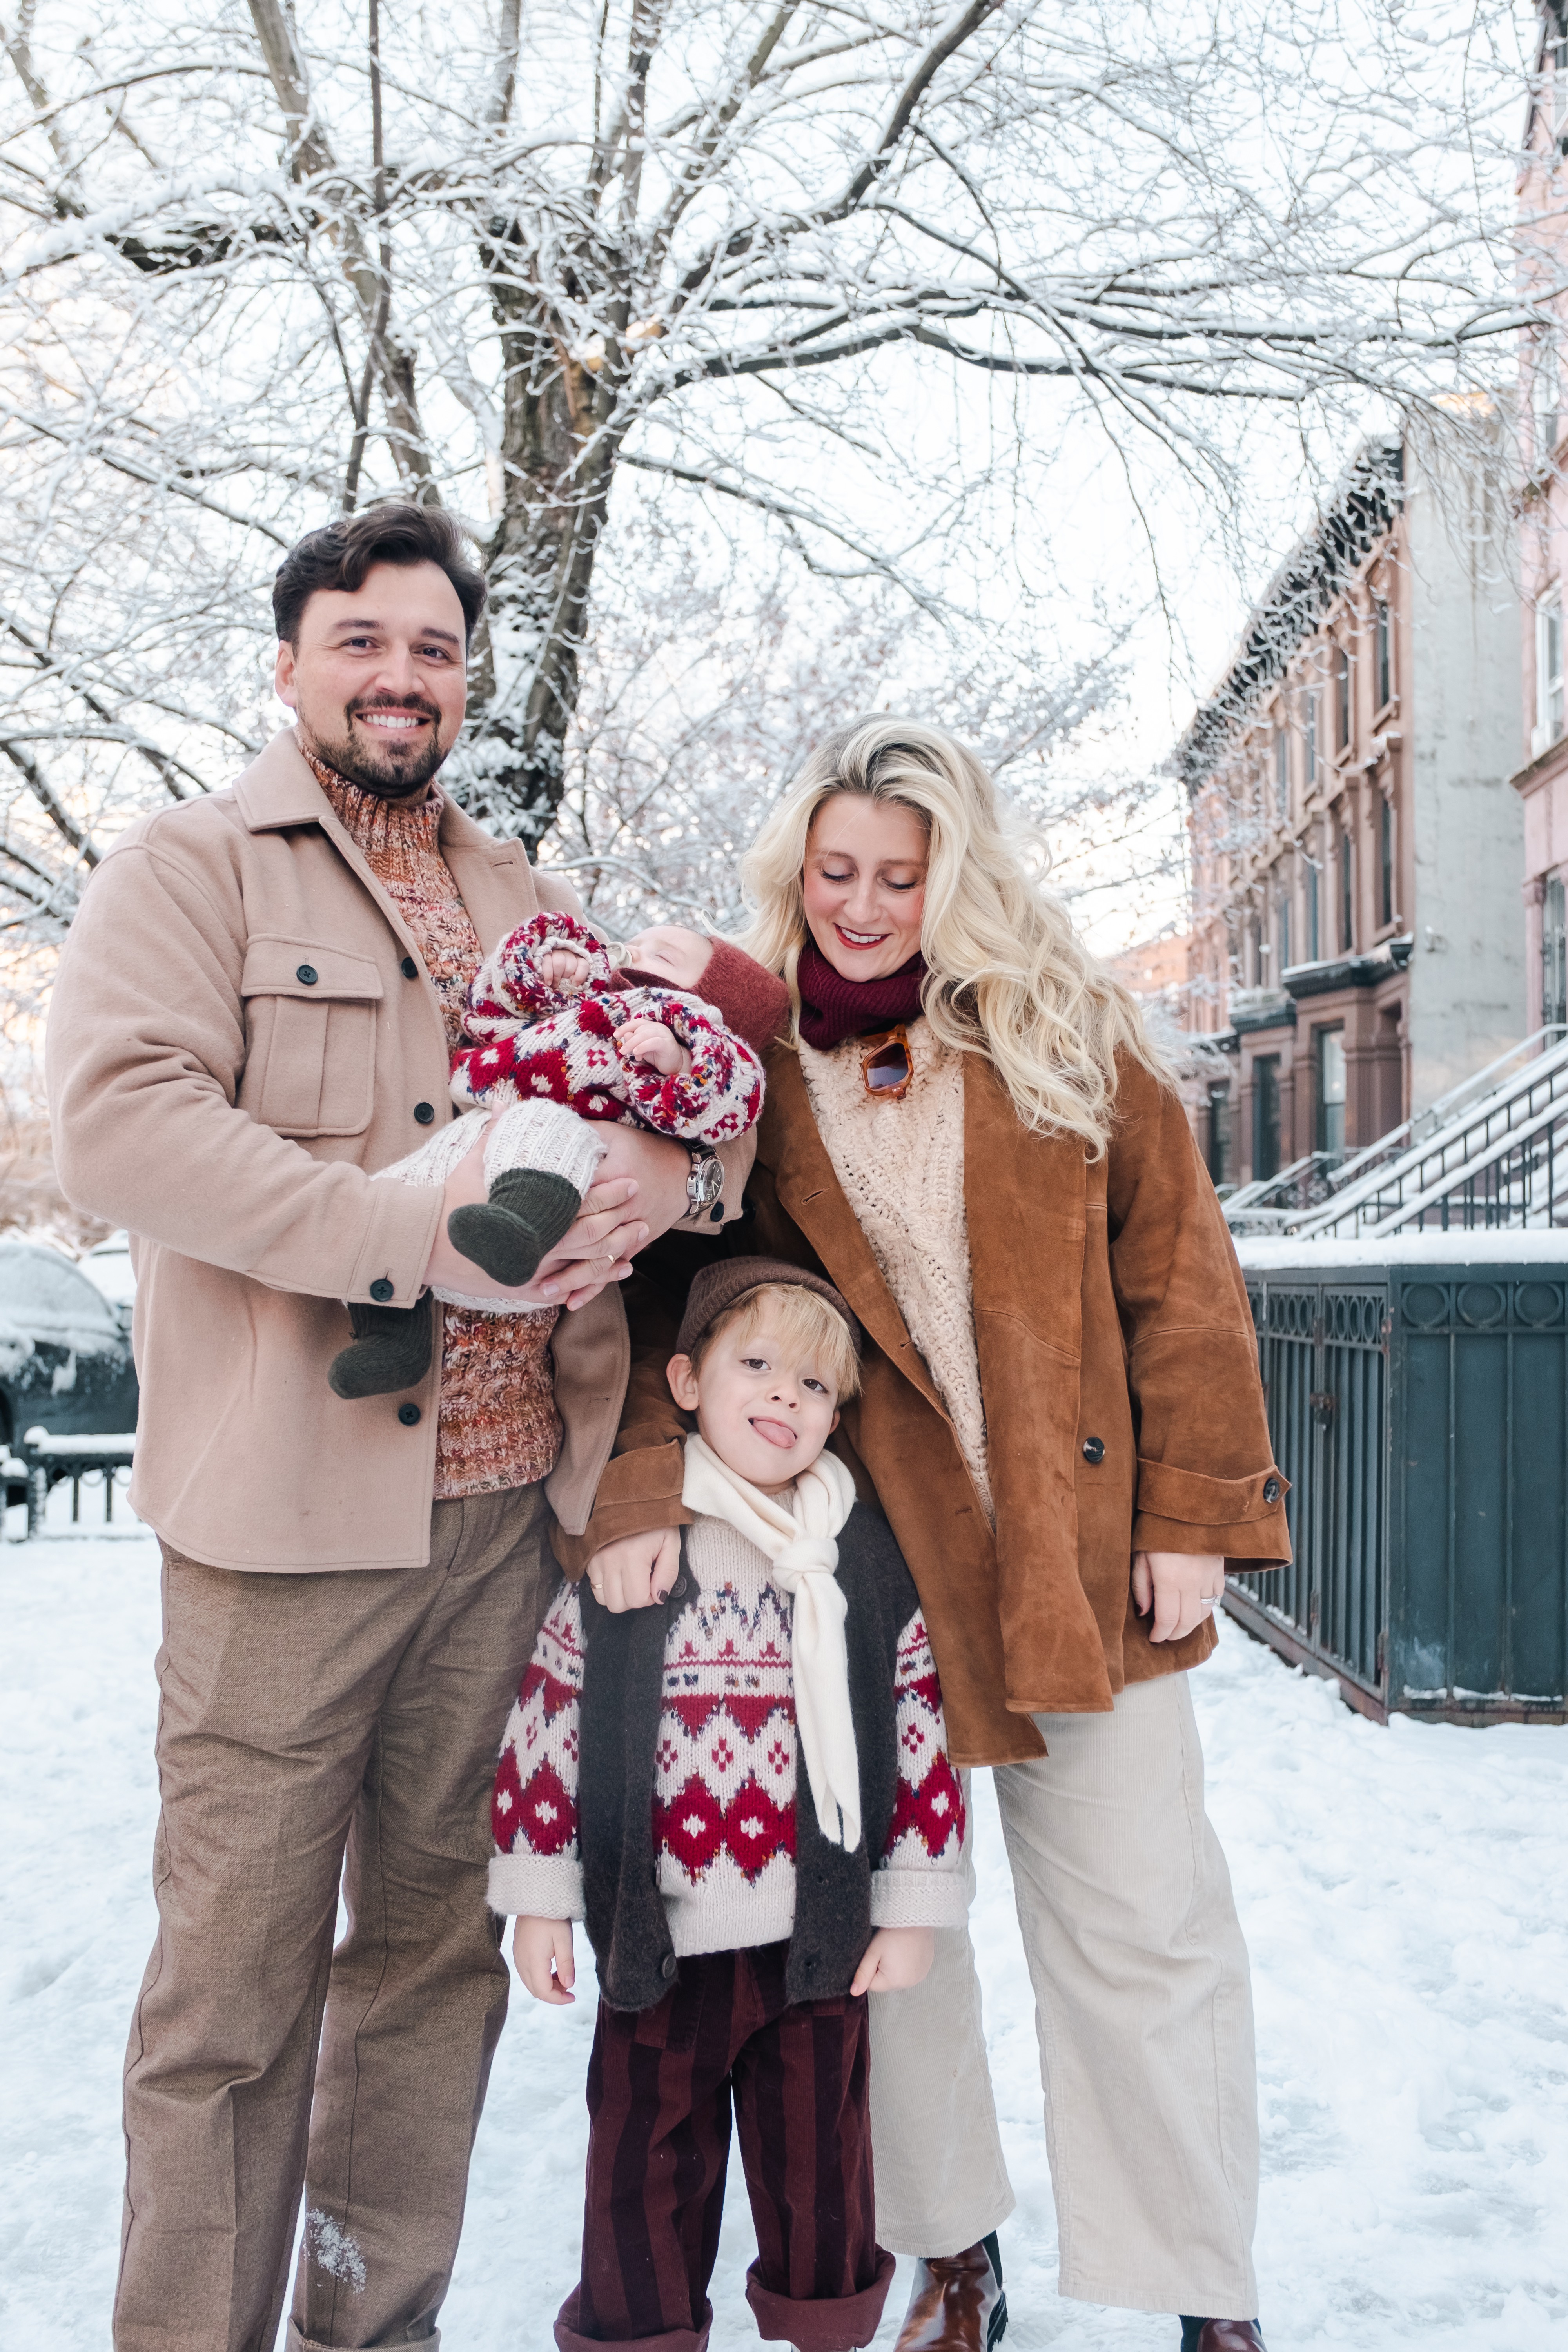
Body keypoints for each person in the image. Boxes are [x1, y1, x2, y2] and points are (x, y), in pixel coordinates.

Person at [44, 501, 765, 2352]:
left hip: (502, 1525)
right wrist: (406, 1234)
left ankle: (376, 2328)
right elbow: (121, 1122)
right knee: (230, 1993)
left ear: (465, 677)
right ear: (289, 665)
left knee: (434, 1964)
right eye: (361, 641)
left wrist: (664, 1173)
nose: (400, 676)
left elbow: (696, 1105)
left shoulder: (526, 893)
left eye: (433, 647)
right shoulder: (189, 868)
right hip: (281, 1531)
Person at [552, 720, 1292, 2352]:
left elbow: (1179, 1277)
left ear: (955, 876)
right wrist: (629, 1502)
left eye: (902, 874)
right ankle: (951, 2253)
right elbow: (660, 1307)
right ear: (794, 875)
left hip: (1085, 1559)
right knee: (903, 1944)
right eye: (837, 875)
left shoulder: (1064, 1031)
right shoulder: (734, 1078)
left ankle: (1198, 2287)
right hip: (869, 1578)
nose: (866, 906)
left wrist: (1193, 1515)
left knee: (1146, 1931)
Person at [492, 1258, 968, 2352]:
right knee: (640, 2168)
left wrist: (912, 1908)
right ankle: (642, 2332)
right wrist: (539, 1901)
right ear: (688, 1381)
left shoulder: (857, 1559)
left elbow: (916, 1730)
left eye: (811, 1387)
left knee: (821, 2172)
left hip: (818, 1943)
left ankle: (825, 2328)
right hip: (656, 1936)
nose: (783, 1399)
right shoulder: (635, 1550)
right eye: (756, 1366)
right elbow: (549, 1722)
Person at [329, 909, 779, 1397]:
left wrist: (681, 1059)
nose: (632, 954)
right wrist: (539, 971)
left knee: (541, 1129)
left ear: (714, 1000)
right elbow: (489, 1015)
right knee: (395, 1190)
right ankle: (391, 1339)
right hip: (479, 1129)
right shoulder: (582, 998)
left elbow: (737, 1100)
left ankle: (519, 1230)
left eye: (662, 955)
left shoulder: (683, 1023)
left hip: (572, 1138)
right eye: (635, 941)